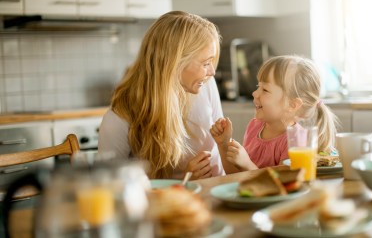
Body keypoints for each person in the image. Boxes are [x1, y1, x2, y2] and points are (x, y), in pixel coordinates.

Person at [98, 11, 225, 179]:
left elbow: (221, 145)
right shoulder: (120, 117)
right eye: (205, 63)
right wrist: (183, 180)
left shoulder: (206, 85)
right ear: (175, 62)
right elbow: (110, 185)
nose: (212, 71)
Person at [210, 55, 338, 174]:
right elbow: (234, 176)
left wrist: (247, 164)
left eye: (265, 89)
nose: (255, 93)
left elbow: (283, 186)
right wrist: (223, 145)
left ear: (292, 105)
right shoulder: (254, 126)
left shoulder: (296, 141)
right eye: (258, 86)